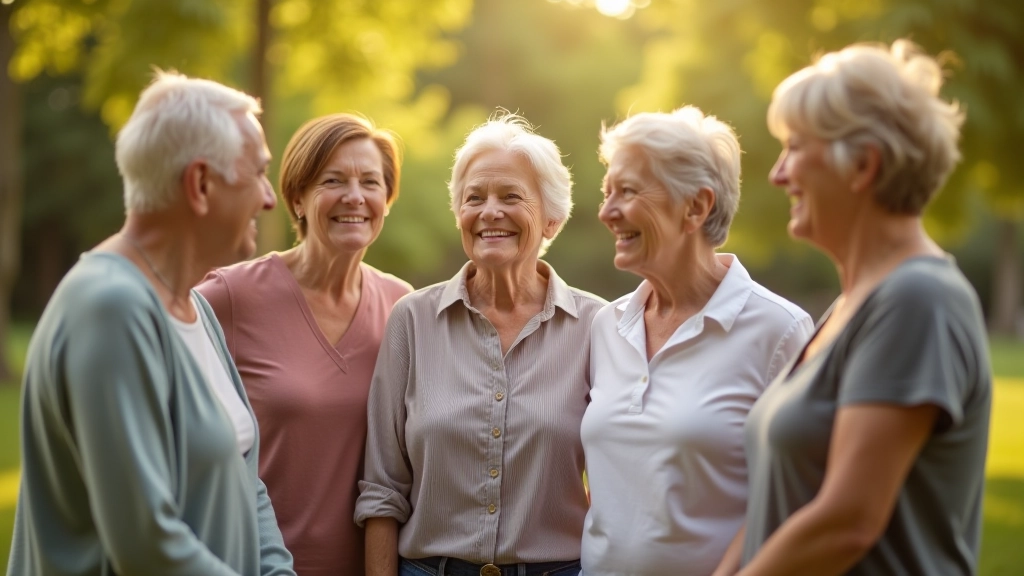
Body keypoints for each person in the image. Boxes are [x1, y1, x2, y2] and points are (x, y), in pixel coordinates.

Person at [715, 41, 991, 576]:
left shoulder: (919, 301)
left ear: (863, 164)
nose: (777, 174)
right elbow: (783, 505)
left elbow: (848, 520)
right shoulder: (849, 308)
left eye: (794, 148)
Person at [7, 72, 295, 576]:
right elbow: (146, 547)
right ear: (201, 185)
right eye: (259, 173)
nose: (270, 198)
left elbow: (243, 474)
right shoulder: (110, 309)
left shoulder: (194, 306)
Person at [354, 113, 604, 576]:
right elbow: (382, 488)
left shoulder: (599, 326)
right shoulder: (412, 320)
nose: (490, 211)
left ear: (552, 219)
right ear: (460, 216)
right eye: (475, 198)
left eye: (511, 196)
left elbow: (623, 477)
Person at [581, 106, 814, 576]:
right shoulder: (607, 325)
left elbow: (796, 501)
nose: (606, 212)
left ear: (696, 206)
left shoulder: (780, 330)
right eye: (607, 192)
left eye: (626, 191)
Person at [196, 113, 412, 575]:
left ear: (387, 200)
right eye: (333, 180)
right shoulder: (230, 297)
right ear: (297, 198)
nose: (355, 197)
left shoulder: (403, 307)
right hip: (253, 564)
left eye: (370, 182)